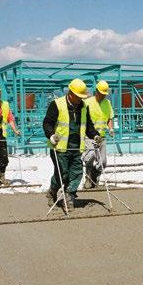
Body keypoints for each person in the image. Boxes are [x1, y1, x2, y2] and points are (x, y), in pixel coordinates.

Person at [43, 78, 100, 209]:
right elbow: (47, 122)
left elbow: (88, 126)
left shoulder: (84, 107)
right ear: (71, 93)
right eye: (78, 96)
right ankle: (52, 192)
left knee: (77, 172)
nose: (81, 99)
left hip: (76, 147)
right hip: (60, 147)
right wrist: (51, 135)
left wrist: (95, 135)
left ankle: (70, 195)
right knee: (62, 174)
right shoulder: (56, 104)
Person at [83, 80, 114, 189]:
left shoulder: (107, 103)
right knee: (90, 157)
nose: (103, 96)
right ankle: (87, 177)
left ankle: (95, 175)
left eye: (105, 94)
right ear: (96, 91)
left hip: (102, 137)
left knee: (103, 162)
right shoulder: (87, 102)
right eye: (101, 94)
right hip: (89, 136)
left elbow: (110, 117)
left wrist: (111, 129)